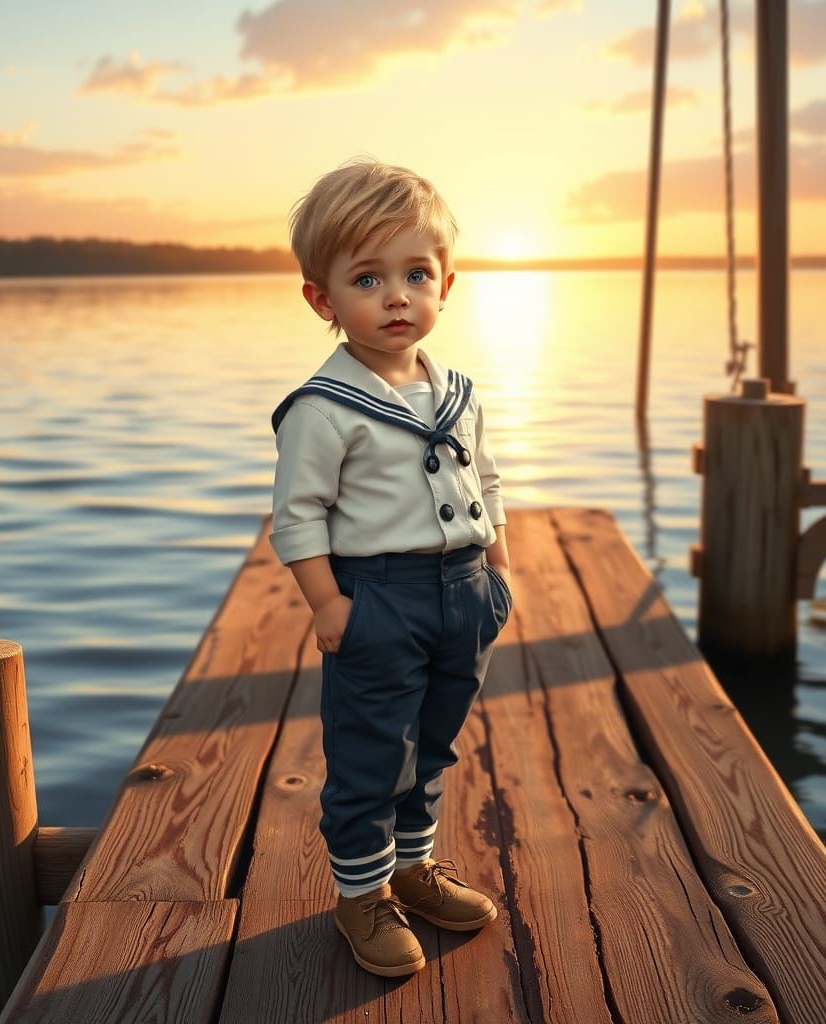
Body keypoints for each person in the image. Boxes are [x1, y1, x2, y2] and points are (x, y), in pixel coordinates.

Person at [269, 156, 514, 978]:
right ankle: (360, 893)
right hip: (379, 597)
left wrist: (499, 566)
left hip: (465, 593)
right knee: (373, 750)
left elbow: (485, 475)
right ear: (323, 299)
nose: (397, 296)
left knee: (434, 743)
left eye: (415, 273)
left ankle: (412, 867)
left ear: (448, 283)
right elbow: (297, 514)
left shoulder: (460, 393)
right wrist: (327, 603)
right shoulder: (324, 408)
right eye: (368, 278)